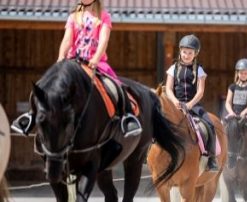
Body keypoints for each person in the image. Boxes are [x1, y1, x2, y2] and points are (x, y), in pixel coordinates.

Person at [11, 0, 142, 137]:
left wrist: (95, 59)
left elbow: (104, 40)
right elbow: (67, 40)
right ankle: (31, 115)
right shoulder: (73, 17)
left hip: (94, 63)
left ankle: (127, 118)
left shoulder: (104, 16)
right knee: (43, 85)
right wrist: (61, 56)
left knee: (115, 87)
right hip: (72, 63)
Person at [165, 34, 218, 171]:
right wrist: (175, 101)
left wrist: (190, 105)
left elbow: (200, 91)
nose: (186, 55)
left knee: (210, 125)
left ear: (195, 54)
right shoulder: (173, 68)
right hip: (175, 104)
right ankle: (150, 154)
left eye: (190, 53)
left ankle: (211, 159)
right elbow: (169, 89)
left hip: (193, 105)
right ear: (180, 52)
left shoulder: (199, 70)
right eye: (184, 52)